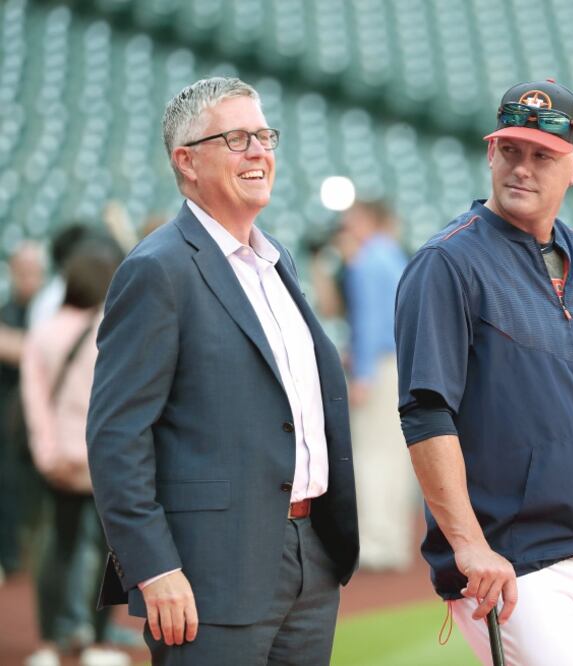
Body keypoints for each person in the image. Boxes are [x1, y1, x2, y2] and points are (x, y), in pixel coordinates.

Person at [86, 77, 359, 665]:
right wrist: (154, 567)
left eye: (265, 136)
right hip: (207, 571)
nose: (259, 151)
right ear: (186, 161)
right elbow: (116, 436)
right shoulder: (157, 269)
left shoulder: (278, 258)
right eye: (237, 139)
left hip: (311, 557)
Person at [395, 79, 573, 665]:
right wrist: (469, 545)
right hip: (510, 561)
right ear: (490, 153)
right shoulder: (447, 263)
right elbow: (426, 412)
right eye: (510, 150)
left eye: (542, 155)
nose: (522, 168)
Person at [21, 238, 128, 666]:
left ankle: (49, 643)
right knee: (112, 554)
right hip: (106, 460)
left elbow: (35, 403)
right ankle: (98, 643)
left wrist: (47, 455)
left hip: (61, 461)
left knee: (58, 549)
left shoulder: (43, 333)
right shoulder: (115, 330)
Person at [337, 201, 415, 572]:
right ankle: (393, 540)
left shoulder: (367, 260)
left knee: (370, 454)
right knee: (395, 456)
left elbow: (369, 321)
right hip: (403, 364)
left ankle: (374, 542)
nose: (346, 227)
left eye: (352, 220)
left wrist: (362, 374)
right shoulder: (396, 257)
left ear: (369, 220)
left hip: (380, 365)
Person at [0, 242, 45, 576]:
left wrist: (17, 345)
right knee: (8, 482)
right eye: (22, 271)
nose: (27, 279)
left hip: (45, 417)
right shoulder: (7, 309)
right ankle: (11, 555)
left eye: (33, 272)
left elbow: (41, 353)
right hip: (9, 417)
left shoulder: (50, 308)